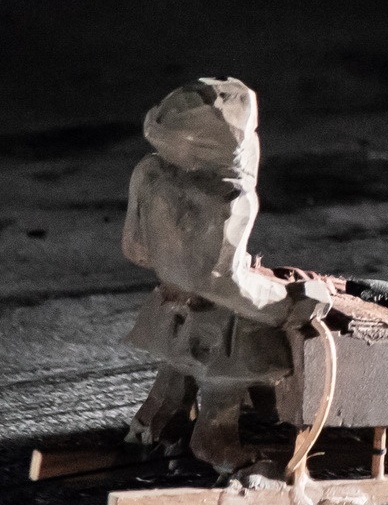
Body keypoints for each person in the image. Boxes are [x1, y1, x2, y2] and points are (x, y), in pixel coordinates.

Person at [119, 78, 332, 473]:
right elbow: (223, 281)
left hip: (169, 298)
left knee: (179, 363)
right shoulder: (230, 198)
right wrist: (287, 302)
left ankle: (155, 423)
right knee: (237, 357)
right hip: (219, 314)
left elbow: (136, 249)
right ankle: (214, 437)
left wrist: (176, 266)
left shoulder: (148, 172)